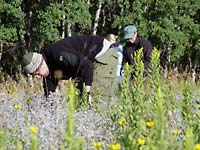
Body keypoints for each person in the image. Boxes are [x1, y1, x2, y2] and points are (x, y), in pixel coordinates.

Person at [21, 35, 115, 102]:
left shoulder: (58, 55)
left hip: (102, 53)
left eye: (37, 73)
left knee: (98, 98)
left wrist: (88, 92)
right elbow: (49, 97)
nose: (38, 77)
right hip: (84, 65)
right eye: (34, 75)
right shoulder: (48, 72)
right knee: (79, 102)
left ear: (41, 63)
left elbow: (86, 65)